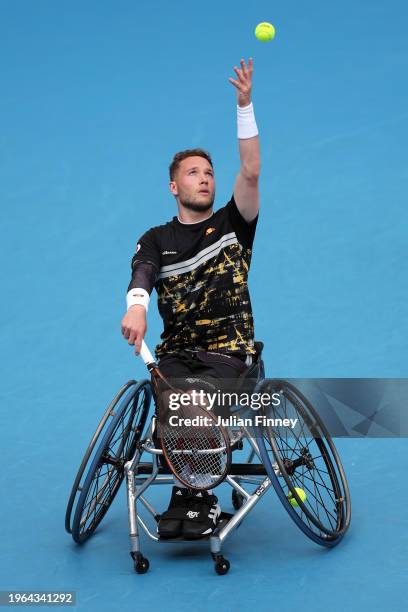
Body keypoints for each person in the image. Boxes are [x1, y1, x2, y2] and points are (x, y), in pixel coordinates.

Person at [121, 57, 260, 539]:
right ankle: (191, 495)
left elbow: (251, 168)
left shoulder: (233, 225)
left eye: (209, 172)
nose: (205, 178)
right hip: (177, 356)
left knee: (190, 405)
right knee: (172, 399)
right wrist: (137, 305)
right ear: (173, 186)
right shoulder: (157, 238)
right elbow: (143, 271)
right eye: (194, 172)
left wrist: (244, 105)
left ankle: (197, 494)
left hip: (229, 356)